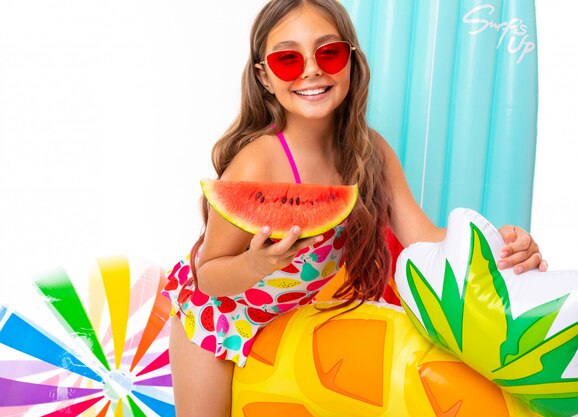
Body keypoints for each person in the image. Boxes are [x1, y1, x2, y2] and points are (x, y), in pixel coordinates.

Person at [163, 1, 548, 416]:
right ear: (265, 77)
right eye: (288, 59)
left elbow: (424, 237)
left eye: (328, 53)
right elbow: (208, 276)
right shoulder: (258, 161)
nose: (311, 69)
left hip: (297, 318)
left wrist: (500, 244)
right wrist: (257, 264)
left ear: (351, 61)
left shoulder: (371, 152)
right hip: (216, 320)